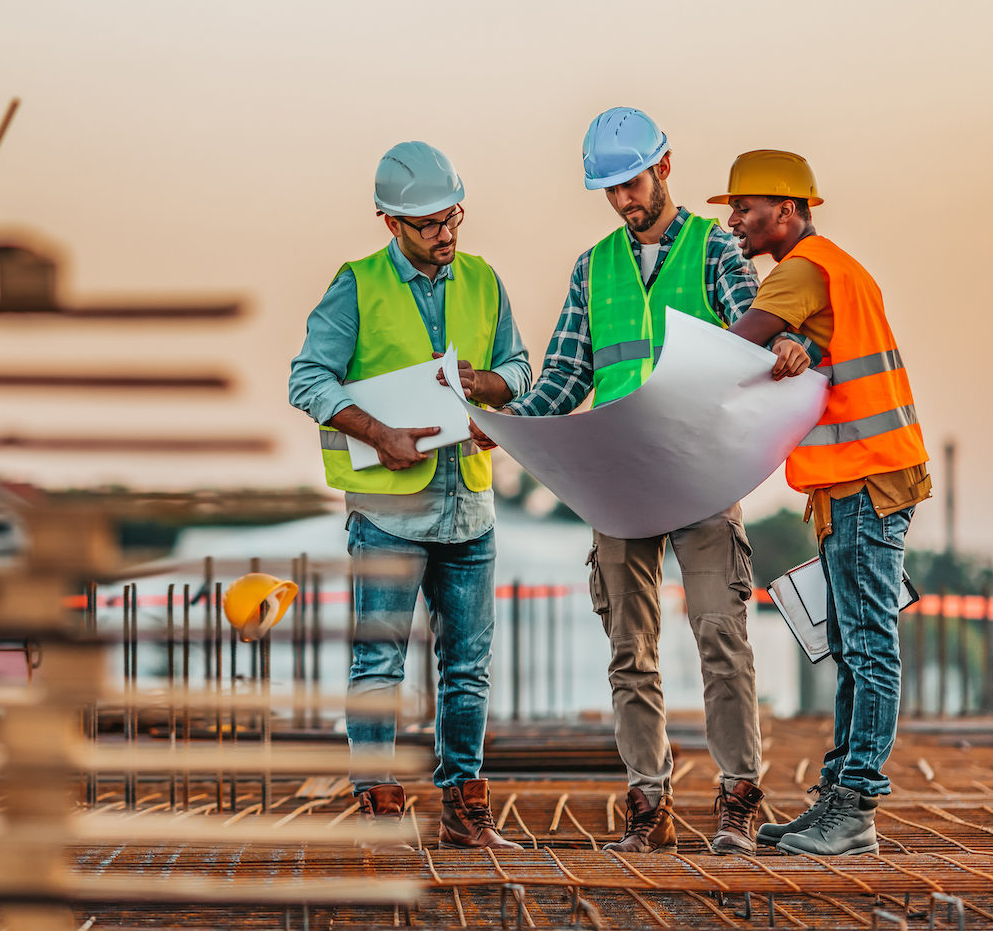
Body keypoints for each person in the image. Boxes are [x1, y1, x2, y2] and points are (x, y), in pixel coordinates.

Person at [501, 108, 810, 855]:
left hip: (701, 471)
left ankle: (739, 798)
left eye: (630, 183)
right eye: (608, 190)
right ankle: (648, 803)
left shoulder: (714, 250)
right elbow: (566, 378)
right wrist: (510, 423)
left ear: (664, 168)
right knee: (629, 650)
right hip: (619, 480)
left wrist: (793, 345)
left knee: (721, 634)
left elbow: (754, 329)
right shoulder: (593, 267)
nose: (621, 200)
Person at [288, 140, 530, 849]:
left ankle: (465, 808)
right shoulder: (356, 284)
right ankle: (382, 809)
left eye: (453, 217)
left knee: (467, 668)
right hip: (388, 512)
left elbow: (519, 365)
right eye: (428, 223)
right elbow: (309, 378)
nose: (445, 233)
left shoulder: (483, 280)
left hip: (469, 505)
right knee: (378, 664)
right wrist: (377, 430)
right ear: (389, 222)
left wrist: (486, 392)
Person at [718, 149, 931, 857]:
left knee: (869, 644)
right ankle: (837, 801)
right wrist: (795, 346)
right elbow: (800, 349)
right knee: (851, 644)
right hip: (860, 482)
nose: (736, 223)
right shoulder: (834, 271)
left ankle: (855, 805)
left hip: (867, 479)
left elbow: (733, 347)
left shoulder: (804, 270)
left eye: (744, 210)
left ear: (786, 208)